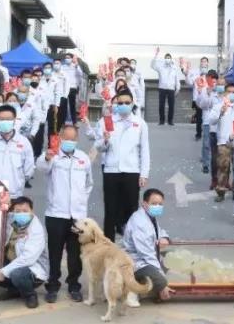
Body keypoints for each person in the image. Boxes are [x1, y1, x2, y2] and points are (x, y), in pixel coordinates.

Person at [37, 124, 92, 303]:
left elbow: (88, 183)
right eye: (66, 138)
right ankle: (52, 285)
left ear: (77, 139)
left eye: (72, 138)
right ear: (60, 138)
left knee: (75, 253)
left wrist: (81, 201)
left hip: (78, 216)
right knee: (55, 252)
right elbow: (41, 167)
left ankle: (74, 285)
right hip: (56, 213)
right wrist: (47, 157)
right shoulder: (53, 156)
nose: (69, 141)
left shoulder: (83, 158)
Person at [88, 88, 150, 241]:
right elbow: (99, 147)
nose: (123, 105)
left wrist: (144, 174)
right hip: (111, 170)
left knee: (131, 208)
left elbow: (145, 150)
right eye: (120, 103)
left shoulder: (140, 123)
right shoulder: (107, 121)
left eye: (127, 103)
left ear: (132, 104)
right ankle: (108, 243)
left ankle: (132, 242)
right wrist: (105, 140)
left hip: (132, 170)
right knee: (110, 209)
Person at [120, 188, 175, 306]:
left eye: (160, 204)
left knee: (170, 257)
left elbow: (158, 231)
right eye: (154, 204)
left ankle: (145, 285)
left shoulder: (148, 216)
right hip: (134, 262)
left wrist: (164, 238)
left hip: (144, 258)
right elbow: (147, 255)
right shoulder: (140, 223)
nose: (157, 207)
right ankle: (131, 289)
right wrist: (162, 283)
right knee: (161, 281)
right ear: (144, 204)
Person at [0, 196, 48, 309]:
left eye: (25, 211)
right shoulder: (14, 220)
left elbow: (28, 259)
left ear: (32, 211)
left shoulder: (36, 229)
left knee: (17, 274)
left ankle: (30, 295)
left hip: (33, 270)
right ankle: (14, 291)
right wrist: (4, 204)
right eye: (17, 211)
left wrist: (3, 271)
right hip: (15, 261)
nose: (21, 214)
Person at [0, 104, 36, 197]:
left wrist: (18, 182)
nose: (5, 122)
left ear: (14, 120)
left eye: (8, 119)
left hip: (14, 194)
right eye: (1, 119)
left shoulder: (24, 142)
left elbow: (28, 170)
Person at [206, 82, 234, 202]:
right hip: (223, 142)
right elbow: (211, 121)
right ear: (225, 93)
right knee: (223, 168)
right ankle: (221, 191)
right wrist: (221, 112)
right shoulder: (218, 106)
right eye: (229, 92)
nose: (231, 94)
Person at [150, 48, 181, 126]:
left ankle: (170, 121)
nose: (167, 59)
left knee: (171, 105)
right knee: (161, 105)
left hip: (171, 89)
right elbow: (152, 65)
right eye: (166, 58)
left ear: (171, 59)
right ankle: (161, 120)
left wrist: (178, 88)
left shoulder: (174, 68)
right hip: (162, 88)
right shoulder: (161, 67)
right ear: (164, 59)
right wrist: (156, 55)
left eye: (169, 58)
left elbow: (177, 79)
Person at [188, 57, 211, 139]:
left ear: (207, 63)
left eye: (205, 61)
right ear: (200, 63)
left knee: (208, 116)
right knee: (199, 117)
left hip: (208, 99)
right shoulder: (195, 73)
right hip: (198, 99)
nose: (203, 63)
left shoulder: (211, 73)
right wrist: (188, 74)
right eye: (202, 61)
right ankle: (198, 133)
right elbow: (189, 82)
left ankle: (208, 133)